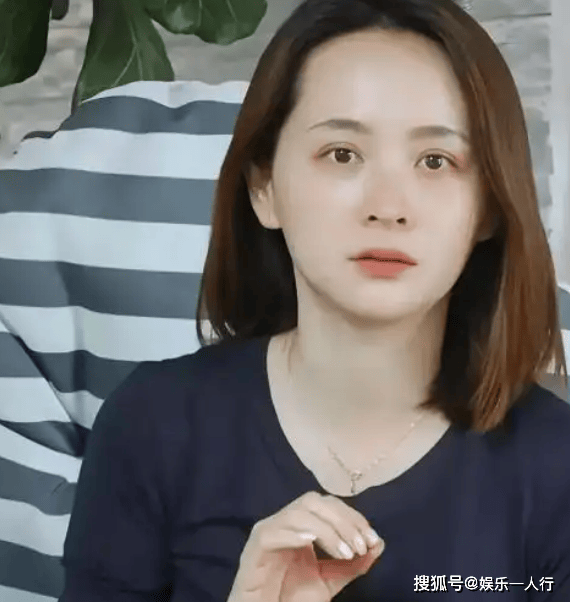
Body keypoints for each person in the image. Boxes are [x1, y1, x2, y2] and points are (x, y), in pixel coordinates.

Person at [58, 0, 570, 600]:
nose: (388, 206)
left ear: (488, 207)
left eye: (436, 161)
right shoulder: (152, 425)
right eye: (342, 154)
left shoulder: (556, 464)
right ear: (264, 187)